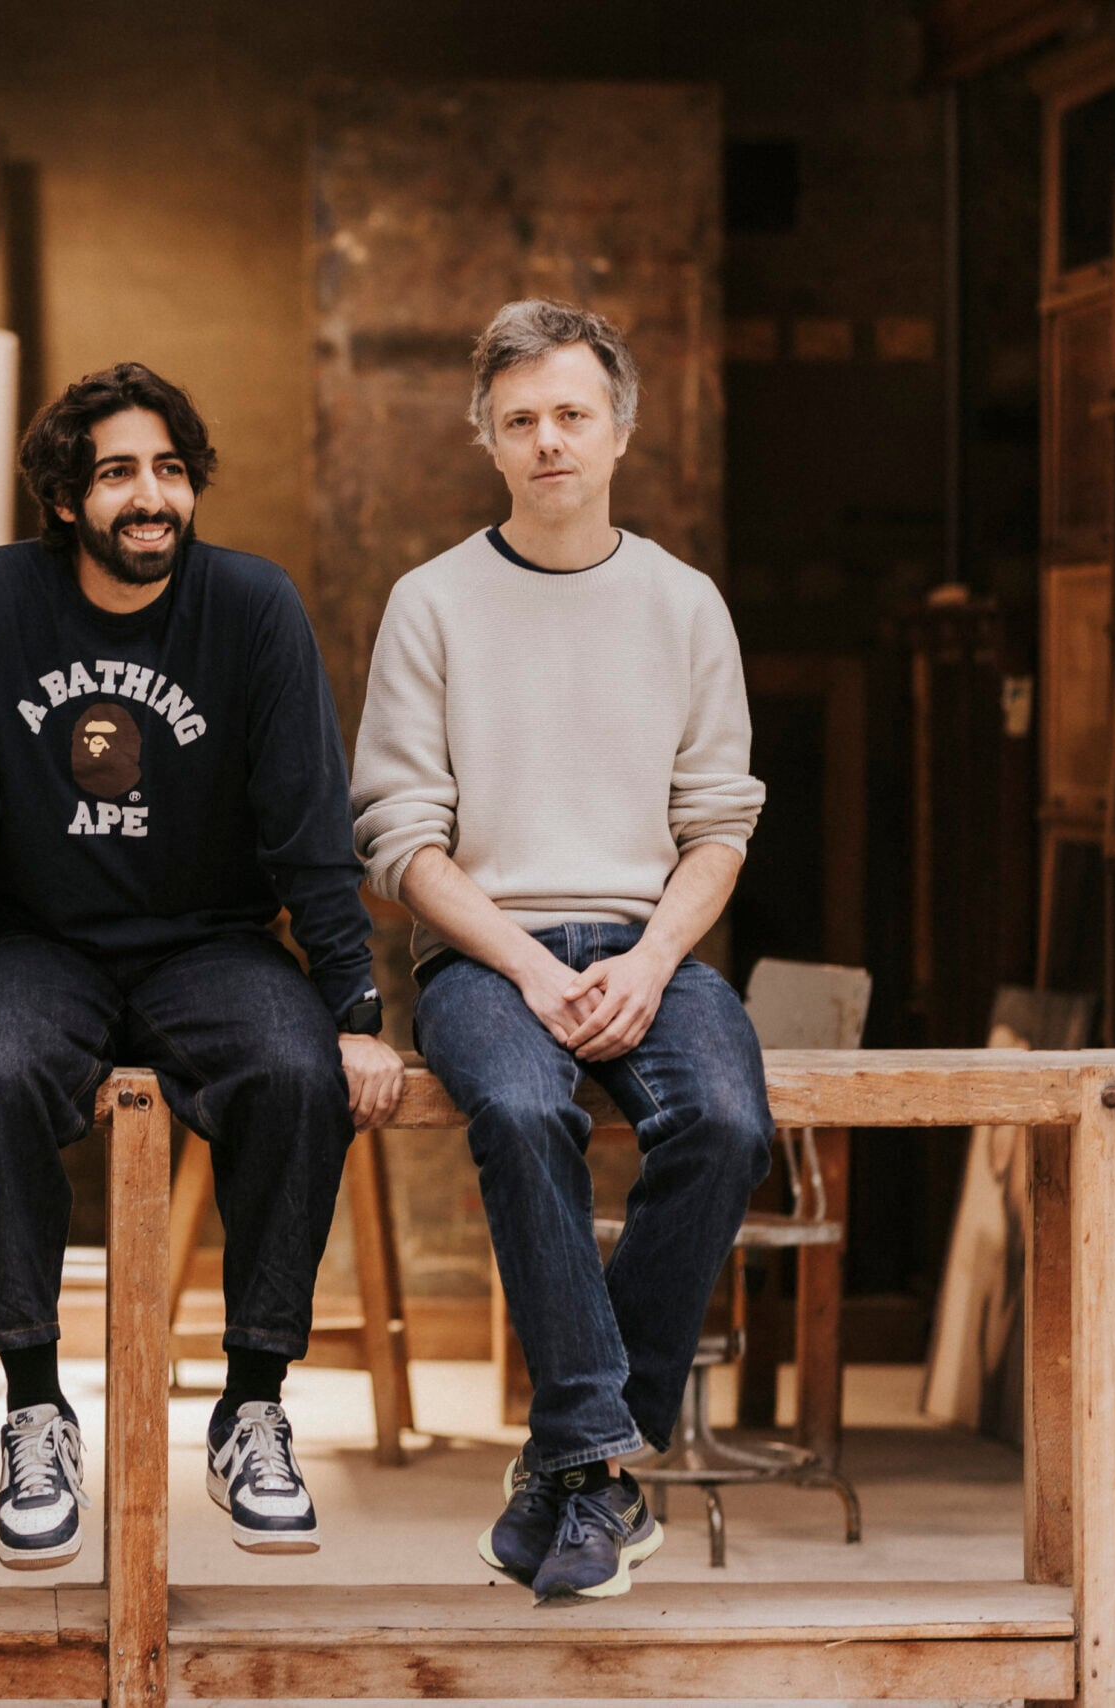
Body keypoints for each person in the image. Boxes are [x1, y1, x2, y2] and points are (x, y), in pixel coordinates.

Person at [0, 362, 403, 1569]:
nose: (149, 495)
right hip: (33, 944)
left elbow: (308, 822)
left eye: (168, 469)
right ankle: (32, 1407)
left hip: (210, 942)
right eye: (117, 472)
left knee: (293, 1070)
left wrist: (353, 1007)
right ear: (68, 497)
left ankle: (252, 1404)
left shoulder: (252, 606)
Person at [351, 299, 772, 1602]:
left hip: (650, 942)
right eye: (520, 419)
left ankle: (575, 1458)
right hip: (485, 955)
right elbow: (402, 841)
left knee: (724, 1122)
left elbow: (719, 826)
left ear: (620, 429)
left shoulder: (683, 604)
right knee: (525, 1108)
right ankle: (597, 1458)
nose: (548, 441)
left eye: (571, 415)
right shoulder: (431, 603)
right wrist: (529, 969)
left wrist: (648, 964)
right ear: (487, 438)